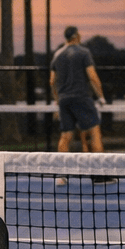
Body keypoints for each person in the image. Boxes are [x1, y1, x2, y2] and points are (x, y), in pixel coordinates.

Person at [49, 26, 110, 185]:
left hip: (64, 100)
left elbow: (52, 81)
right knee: (95, 133)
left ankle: (61, 176)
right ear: (76, 36)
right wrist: (101, 97)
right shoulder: (84, 53)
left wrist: (57, 99)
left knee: (66, 136)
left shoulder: (57, 55)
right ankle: (99, 176)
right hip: (81, 98)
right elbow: (92, 76)